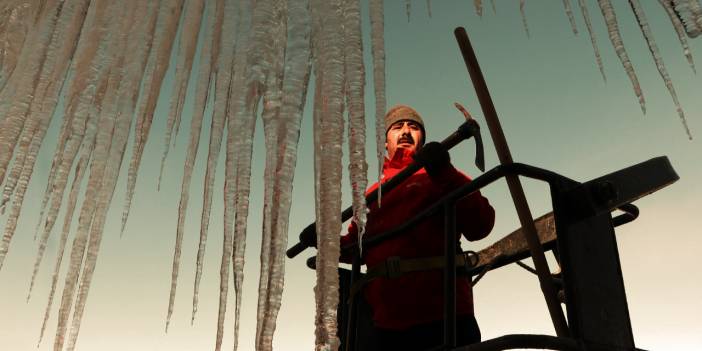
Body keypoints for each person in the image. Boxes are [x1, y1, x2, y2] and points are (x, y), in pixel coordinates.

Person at [340, 104, 495, 350]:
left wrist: (444, 172)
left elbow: (481, 225)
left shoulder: (443, 175)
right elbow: (353, 247)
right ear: (385, 142)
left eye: (413, 127)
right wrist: (323, 238)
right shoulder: (371, 195)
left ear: (421, 138)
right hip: (386, 327)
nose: (405, 131)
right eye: (397, 127)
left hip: (445, 317)